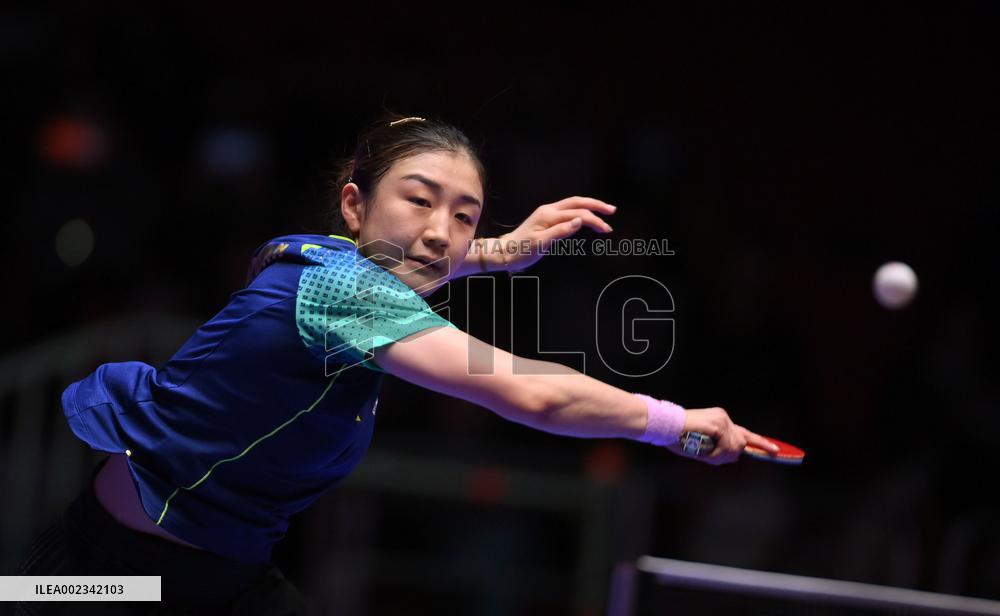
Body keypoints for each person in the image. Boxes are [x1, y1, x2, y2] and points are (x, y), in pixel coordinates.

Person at [12, 114, 777, 615]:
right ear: (353, 204)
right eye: (420, 200)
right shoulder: (347, 291)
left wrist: (499, 253)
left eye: (466, 214)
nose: (444, 234)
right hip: (114, 583)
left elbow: (413, 262)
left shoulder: (317, 258)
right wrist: (678, 425)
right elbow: (528, 394)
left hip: (217, 575)